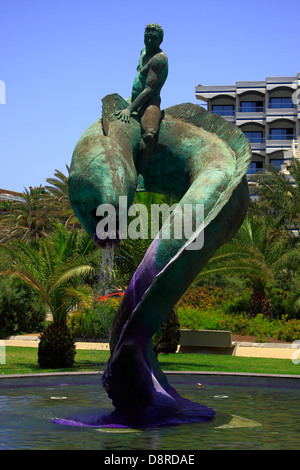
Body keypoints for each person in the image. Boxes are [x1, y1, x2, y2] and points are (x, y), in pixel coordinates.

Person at [115, 23, 168, 188]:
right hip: (134, 98)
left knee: (149, 134)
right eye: (147, 36)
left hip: (150, 101)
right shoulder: (143, 52)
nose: (149, 40)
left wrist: (130, 109)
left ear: (160, 40)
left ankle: (142, 175)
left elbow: (149, 89)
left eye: (153, 38)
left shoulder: (159, 59)